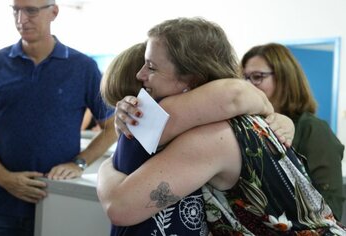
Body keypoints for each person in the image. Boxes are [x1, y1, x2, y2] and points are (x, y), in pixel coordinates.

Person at [97, 17, 346, 235]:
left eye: (151, 67)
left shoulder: (215, 135)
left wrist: (106, 167)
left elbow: (121, 208)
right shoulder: (225, 121)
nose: (141, 76)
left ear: (191, 79)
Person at [0, 0, 117, 235]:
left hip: (58, 201)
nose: (21, 19)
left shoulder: (83, 67)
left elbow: (112, 126)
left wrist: (80, 162)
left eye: (31, 10)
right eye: (15, 11)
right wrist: (4, 178)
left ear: (54, 12)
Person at [241, 42, 345, 220]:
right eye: (245, 78)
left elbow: (331, 207)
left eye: (257, 77)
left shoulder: (313, 129)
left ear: (284, 78)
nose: (249, 85)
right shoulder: (251, 125)